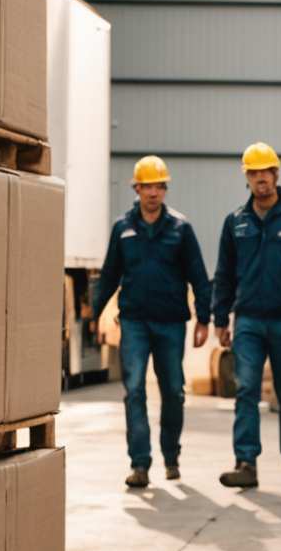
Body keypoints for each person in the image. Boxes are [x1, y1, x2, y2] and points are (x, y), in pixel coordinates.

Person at [90, 155, 211, 488]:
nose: (153, 193)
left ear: (165, 189)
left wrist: (204, 318)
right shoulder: (123, 229)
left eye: (158, 186)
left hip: (171, 323)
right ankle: (140, 464)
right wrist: (94, 315)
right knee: (133, 391)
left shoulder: (181, 229)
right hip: (134, 324)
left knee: (174, 391)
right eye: (147, 186)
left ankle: (171, 455)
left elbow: (199, 276)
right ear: (137, 188)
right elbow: (110, 275)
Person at [211, 143, 281, 490]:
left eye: (266, 172)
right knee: (246, 389)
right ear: (247, 178)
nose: (261, 178)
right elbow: (225, 273)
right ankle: (246, 462)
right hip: (247, 320)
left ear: (276, 174)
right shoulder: (236, 222)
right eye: (254, 173)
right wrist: (220, 319)